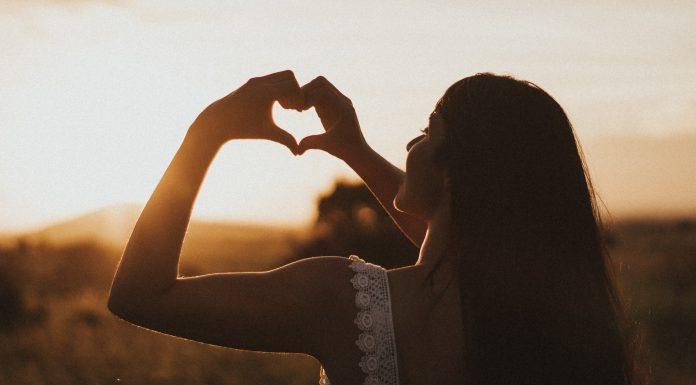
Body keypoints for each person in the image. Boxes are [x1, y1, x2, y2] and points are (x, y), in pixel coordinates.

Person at [108, 70, 644, 385]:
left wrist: (210, 128)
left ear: (462, 174)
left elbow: (140, 295)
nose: (411, 147)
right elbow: (468, 242)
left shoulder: (343, 303)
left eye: (426, 132)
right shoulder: (554, 323)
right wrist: (356, 150)